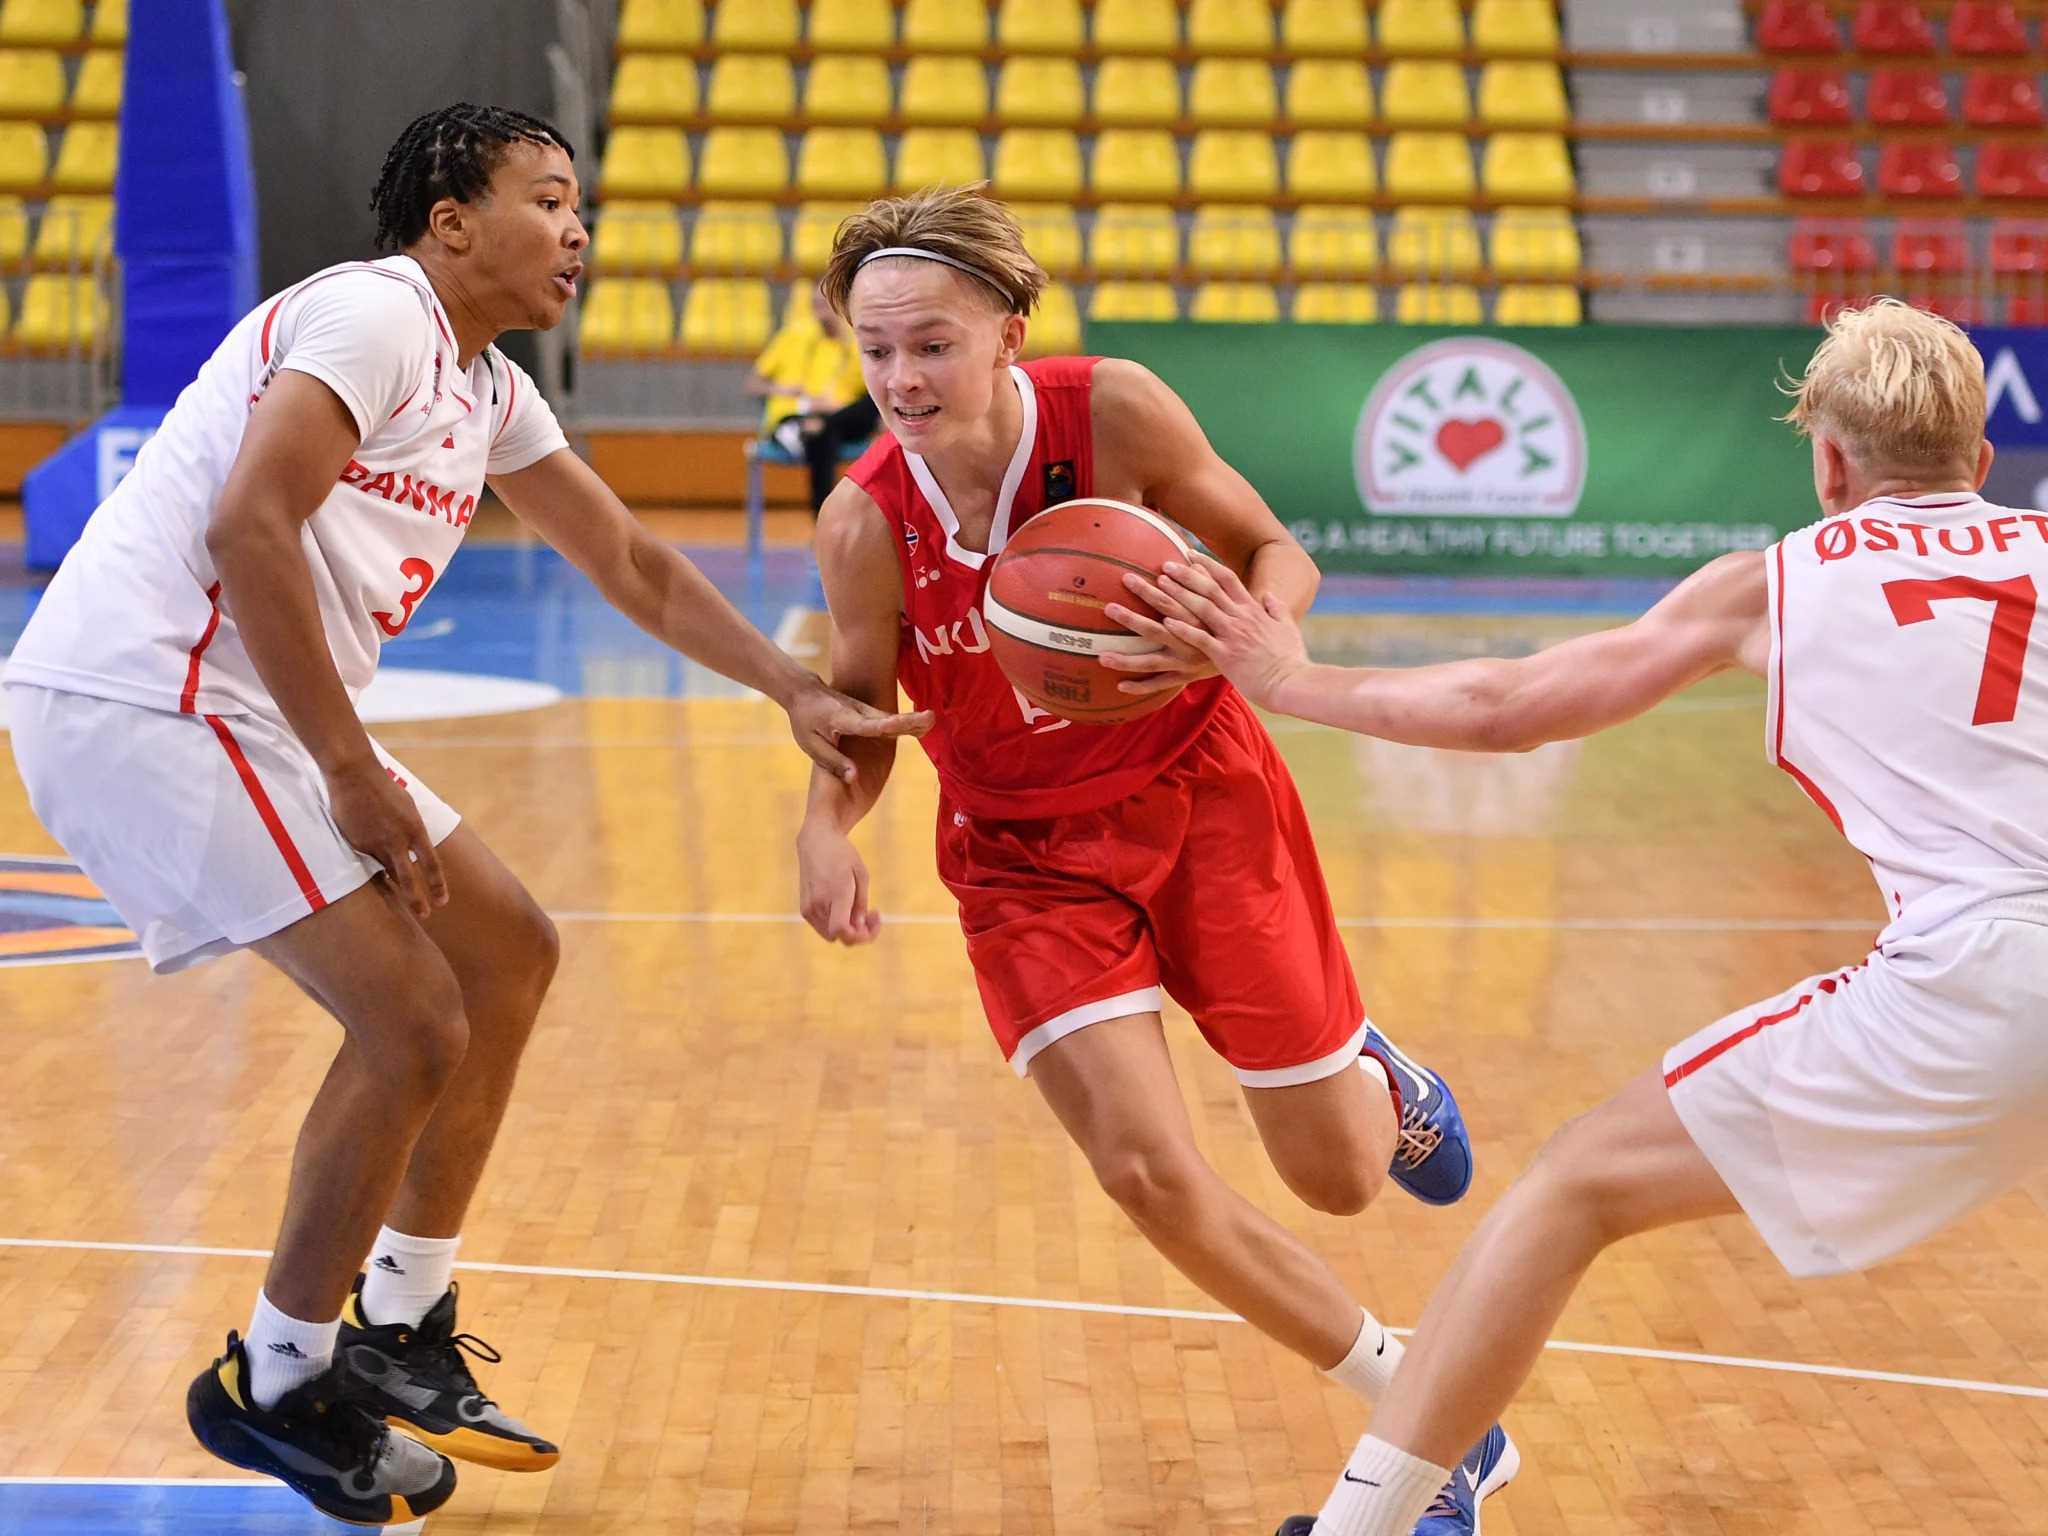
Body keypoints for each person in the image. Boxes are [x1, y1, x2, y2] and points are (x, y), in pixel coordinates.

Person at [3, 103, 927, 1528]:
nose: (577, 231)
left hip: (247, 700)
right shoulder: (376, 317)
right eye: (548, 200)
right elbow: (250, 524)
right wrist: (352, 769)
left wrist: (788, 690)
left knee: (508, 953)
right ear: (450, 220)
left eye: (583, 207)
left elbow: (622, 553)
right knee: (414, 1023)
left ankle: (399, 1324)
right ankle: (281, 1375)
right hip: (151, 698)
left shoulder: (486, 383)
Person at [1129, 299, 2048, 1536]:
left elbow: (1506, 705)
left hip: (1978, 981)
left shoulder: (1765, 588)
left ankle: (1371, 1525)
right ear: (1980, 463)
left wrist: (1289, 679)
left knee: (1568, 1188)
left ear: (1826, 462)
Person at [793, 184, 1513, 1519]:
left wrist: (1260, 641)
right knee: (1144, 1174)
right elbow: (860, 712)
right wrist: (826, 824)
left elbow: (1271, 552)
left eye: (931, 343)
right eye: (875, 347)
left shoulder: (1110, 409)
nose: (899, 376)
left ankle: (1376, 1075)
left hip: (1199, 799)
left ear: (1009, 331)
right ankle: (1430, 1428)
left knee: (1339, 1180)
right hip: (1020, 858)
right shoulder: (862, 524)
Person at [745, 282, 878, 512]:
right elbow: (753, 385)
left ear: (841, 305)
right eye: (815, 303)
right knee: (822, 434)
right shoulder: (793, 336)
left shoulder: (858, 343)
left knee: (865, 407)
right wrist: (786, 391)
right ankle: (825, 518)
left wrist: (836, 407)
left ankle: (822, 424)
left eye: (824, 303)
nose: (819, 309)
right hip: (795, 417)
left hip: (841, 418)